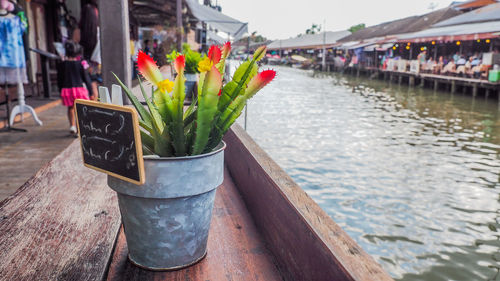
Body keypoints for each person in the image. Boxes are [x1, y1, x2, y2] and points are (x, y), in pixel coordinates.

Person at [57, 41, 93, 135]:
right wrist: (91, 91)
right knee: (80, 109)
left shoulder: (62, 64)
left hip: (67, 89)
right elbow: (86, 79)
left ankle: (72, 126)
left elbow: (60, 79)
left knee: (70, 108)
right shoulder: (80, 64)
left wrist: (60, 89)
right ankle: (79, 128)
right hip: (79, 90)